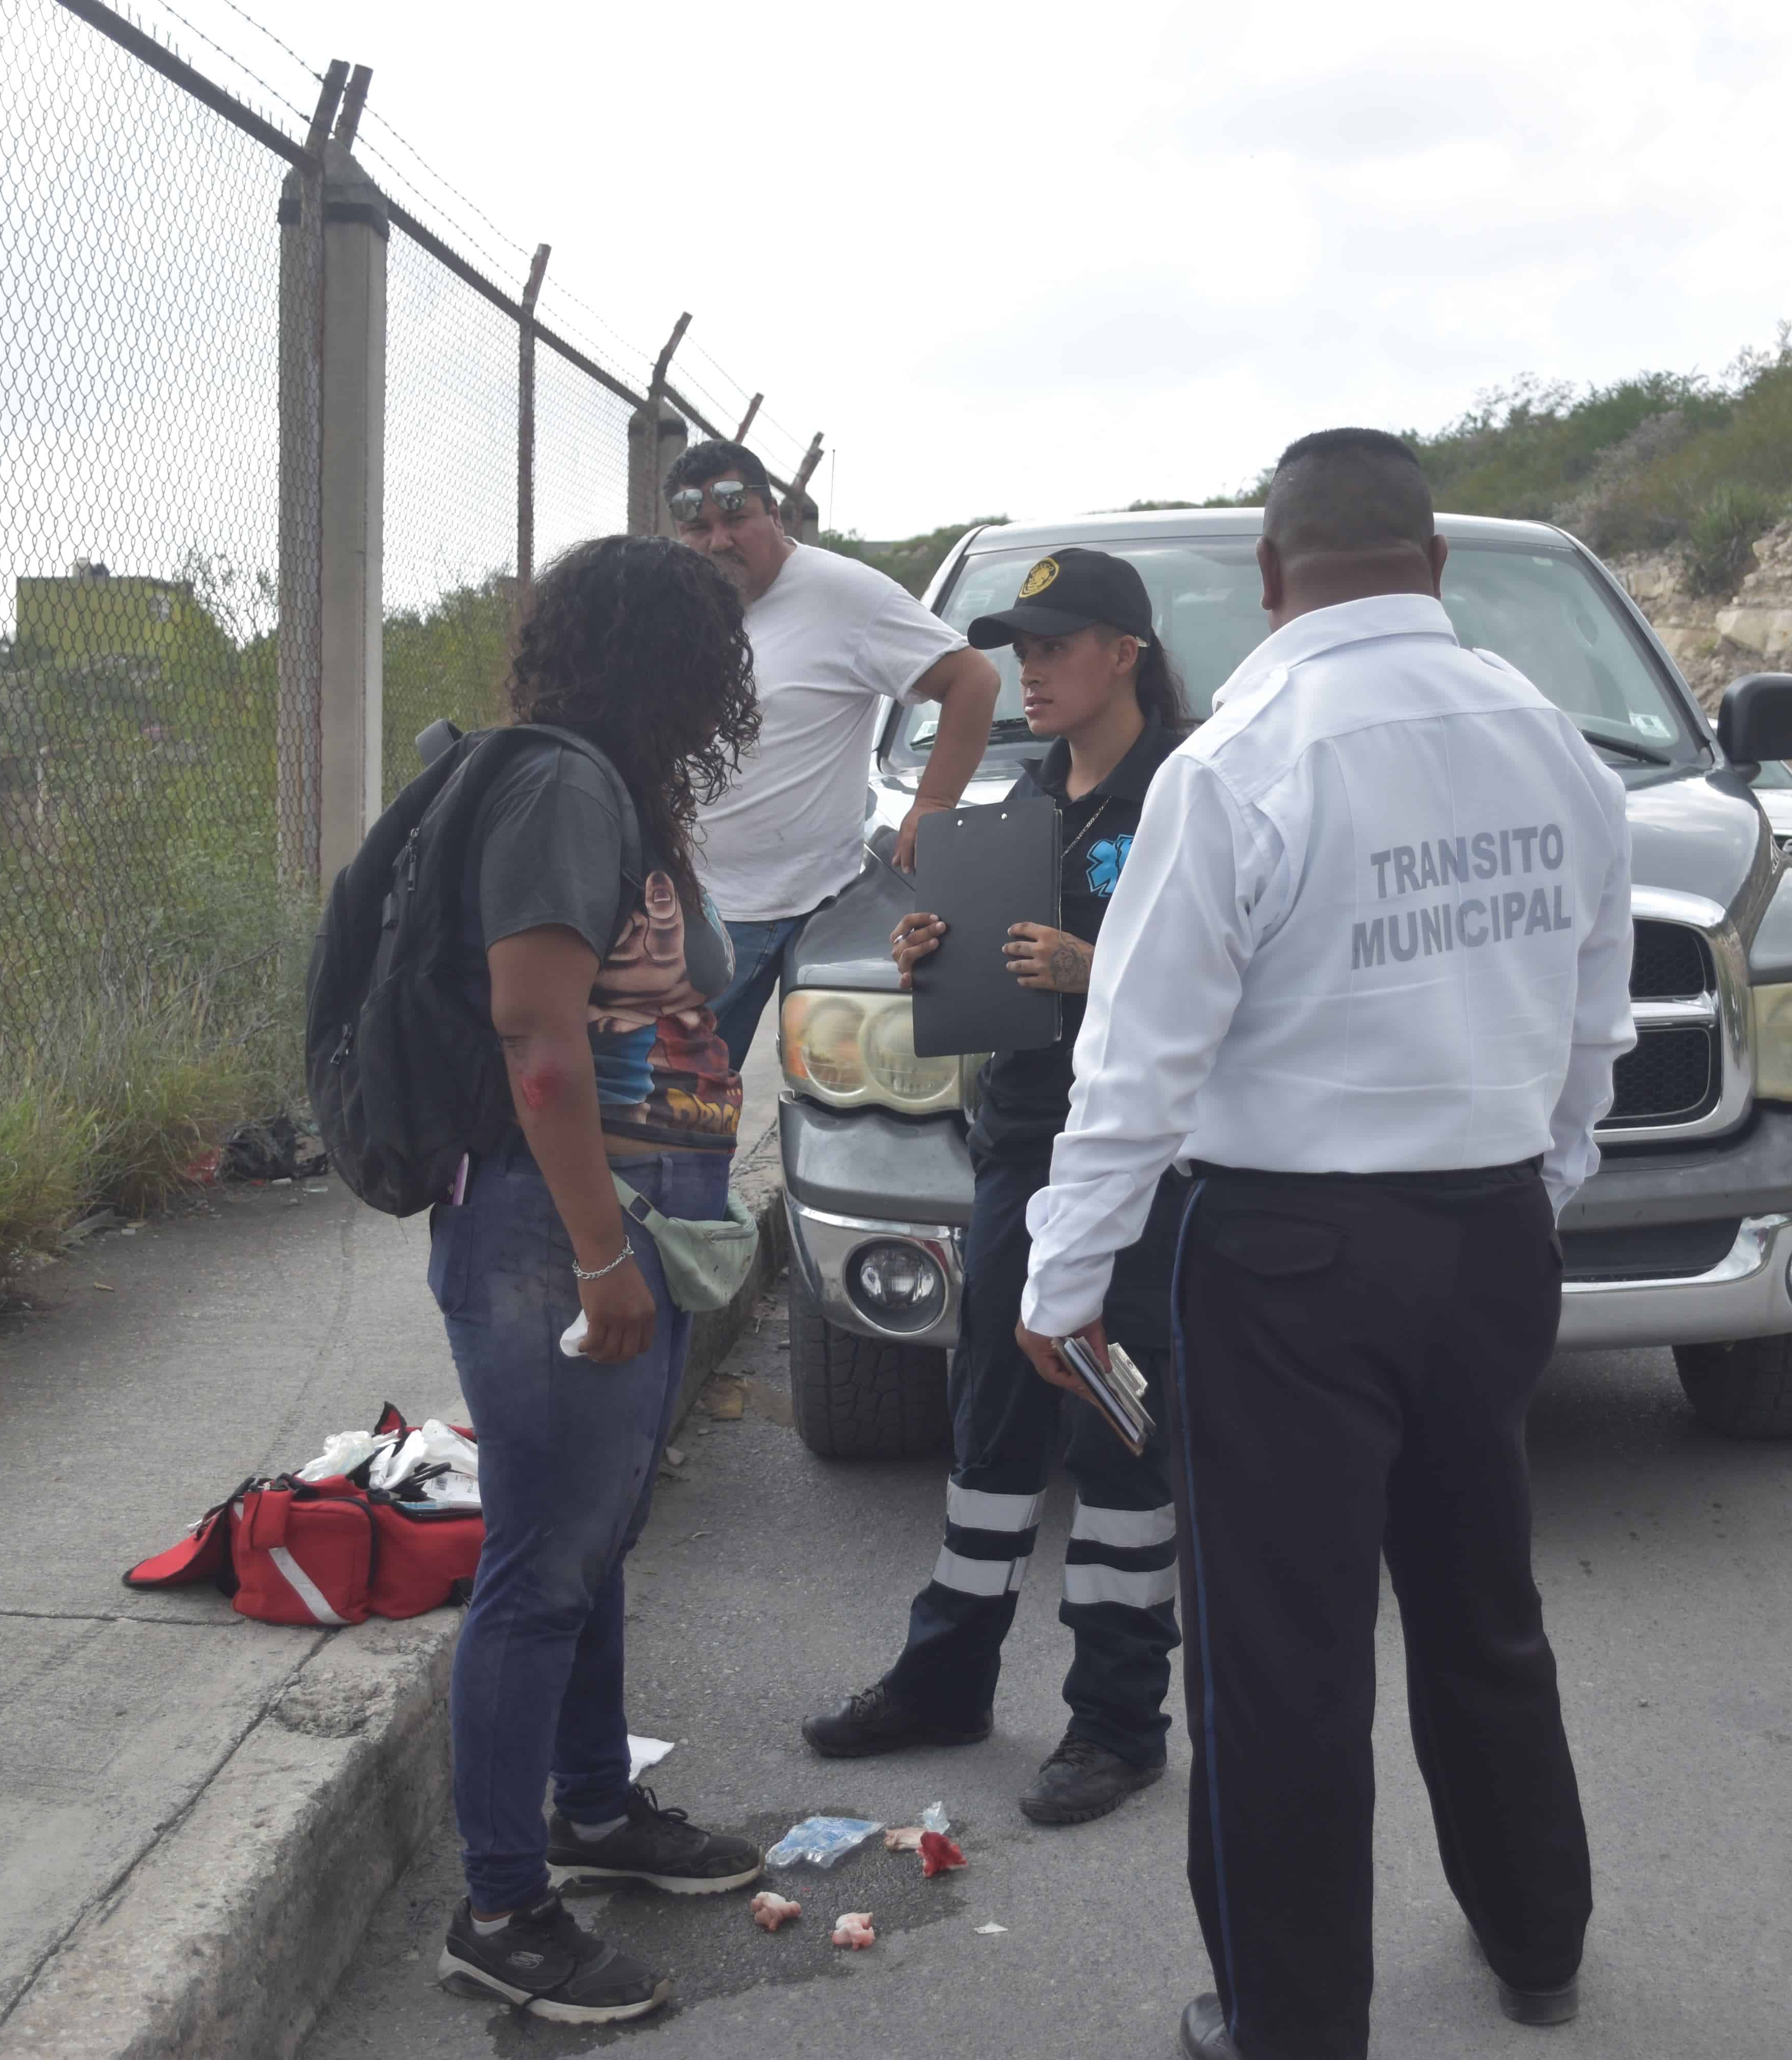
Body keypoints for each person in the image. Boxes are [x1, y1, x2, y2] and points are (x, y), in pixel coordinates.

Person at [1013, 431, 1638, 2059]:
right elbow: (1592, 1024)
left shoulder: (1241, 760)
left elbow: (1135, 1060)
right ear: (1432, 566)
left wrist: (1060, 1280)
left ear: (1272, 579)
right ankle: (1536, 1939)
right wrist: (1532, 1189)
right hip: (1491, 1226)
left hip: (1287, 1257)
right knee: (1479, 1597)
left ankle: (1290, 2025)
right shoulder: (1549, 742)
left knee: (1281, 1660)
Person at [429, 535, 771, 2027]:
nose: (731, 683)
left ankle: (593, 1807)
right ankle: (500, 1909)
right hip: (552, 1225)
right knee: (539, 1562)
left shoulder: (614, 789)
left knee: (591, 1538)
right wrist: (597, 1250)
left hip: (625, 1205)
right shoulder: (565, 789)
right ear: (664, 661)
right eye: (715, 652)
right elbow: (535, 1034)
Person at [797, 548, 1192, 1827]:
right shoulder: (1017, 802)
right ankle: (945, 1678)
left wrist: (1103, 970)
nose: (1028, 669)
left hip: (1140, 1159)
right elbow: (986, 993)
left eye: (1055, 645)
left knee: (1117, 1431)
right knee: (989, 1425)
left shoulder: (1192, 795)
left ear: (1124, 652)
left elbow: (1251, 990)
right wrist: (936, 957)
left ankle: (1119, 1722)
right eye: (1017, 647)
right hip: (1020, 1143)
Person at [664, 439, 1004, 1072]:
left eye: (737, 520)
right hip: (680, 899)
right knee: (675, 1106)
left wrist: (933, 802)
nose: (719, 542)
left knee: (684, 1092)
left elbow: (974, 681)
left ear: (776, 516)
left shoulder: (845, 595)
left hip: (776, 900)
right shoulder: (676, 599)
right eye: (698, 527)